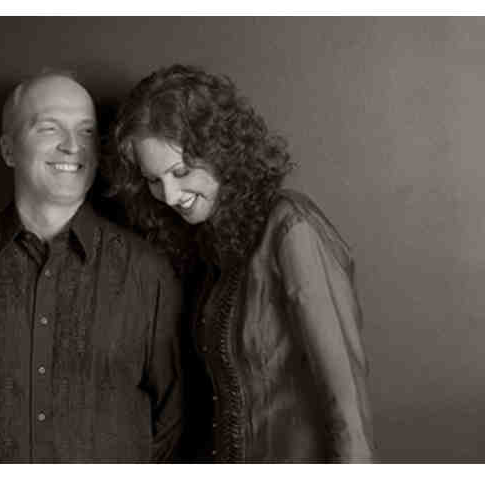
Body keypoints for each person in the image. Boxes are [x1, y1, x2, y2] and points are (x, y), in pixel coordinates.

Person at [0, 71, 184, 463]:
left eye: (86, 131)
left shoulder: (148, 272)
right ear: (8, 150)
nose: (72, 146)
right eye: (49, 128)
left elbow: (171, 420)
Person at [104, 64, 374, 462]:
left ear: (220, 153)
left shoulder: (290, 227)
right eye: (153, 180)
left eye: (181, 171)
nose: (170, 195)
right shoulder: (209, 248)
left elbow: (347, 403)